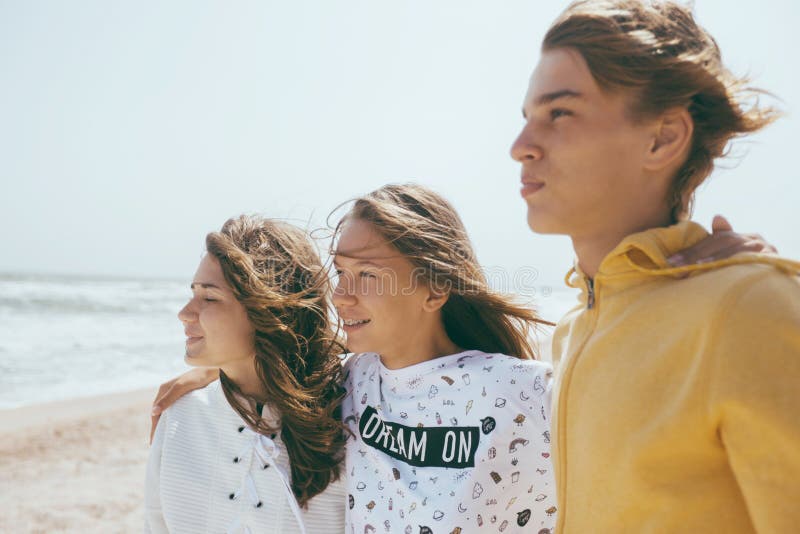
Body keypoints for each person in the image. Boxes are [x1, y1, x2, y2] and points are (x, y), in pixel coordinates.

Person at [510, 1, 800, 532]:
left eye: (559, 113)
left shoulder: (749, 307)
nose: (520, 148)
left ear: (663, 137)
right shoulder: (573, 329)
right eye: (526, 118)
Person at [332, 184, 556, 533]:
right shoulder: (346, 382)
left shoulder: (524, 390)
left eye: (367, 274)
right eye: (340, 273)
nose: (340, 296)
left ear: (435, 289)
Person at [144, 215, 347, 534]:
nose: (184, 313)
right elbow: (155, 525)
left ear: (268, 311)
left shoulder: (350, 417)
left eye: (209, 297)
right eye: (193, 292)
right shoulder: (179, 415)